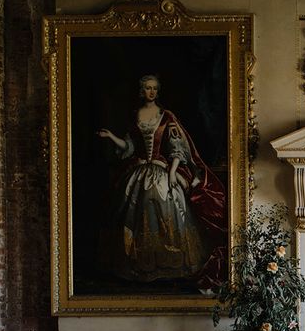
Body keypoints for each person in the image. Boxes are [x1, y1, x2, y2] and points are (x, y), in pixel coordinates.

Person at [97, 74, 227, 290]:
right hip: (138, 172)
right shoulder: (135, 116)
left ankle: (168, 266)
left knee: (167, 207)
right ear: (142, 91)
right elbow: (128, 148)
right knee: (132, 211)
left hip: (163, 171)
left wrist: (172, 173)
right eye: (147, 88)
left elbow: (177, 148)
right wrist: (111, 137)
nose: (151, 92)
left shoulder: (167, 116)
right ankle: (139, 266)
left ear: (158, 91)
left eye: (154, 89)